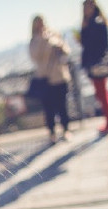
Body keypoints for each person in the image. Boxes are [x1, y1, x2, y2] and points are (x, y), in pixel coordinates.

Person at [29, 15, 72, 144]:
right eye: (38, 23)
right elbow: (35, 56)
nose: (41, 25)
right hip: (45, 78)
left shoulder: (54, 34)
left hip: (59, 75)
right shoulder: (34, 40)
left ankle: (66, 130)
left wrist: (58, 44)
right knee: (49, 109)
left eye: (42, 22)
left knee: (62, 106)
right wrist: (42, 40)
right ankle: (52, 133)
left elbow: (66, 50)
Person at [80, 0, 108, 133]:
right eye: (84, 6)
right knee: (102, 93)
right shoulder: (94, 22)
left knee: (101, 93)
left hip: (95, 63)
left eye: (88, 6)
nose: (86, 9)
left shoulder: (95, 23)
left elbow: (96, 45)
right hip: (95, 62)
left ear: (94, 6)